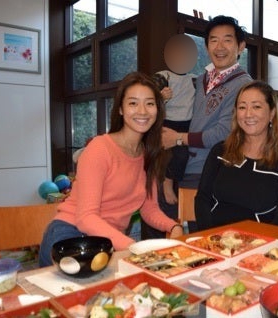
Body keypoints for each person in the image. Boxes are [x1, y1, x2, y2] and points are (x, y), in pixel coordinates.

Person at [38, 72, 183, 267]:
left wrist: (173, 225)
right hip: (70, 235)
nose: (142, 111)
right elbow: (86, 218)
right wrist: (132, 247)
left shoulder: (148, 154)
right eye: (133, 103)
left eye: (149, 103)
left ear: (157, 109)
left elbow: (148, 208)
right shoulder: (99, 148)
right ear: (121, 109)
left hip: (108, 242)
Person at [161, 15, 252, 189]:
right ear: (206, 46)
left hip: (213, 170)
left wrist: (177, 139)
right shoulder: (202, 78)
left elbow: (223, 134)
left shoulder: (243, 85)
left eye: (227, 40)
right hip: (183, 166)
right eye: (214, 40)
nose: (220, 47)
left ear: (240, 47)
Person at [195, 80, 278, 230]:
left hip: (259, 246)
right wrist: (209, 238)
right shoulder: (220, 151)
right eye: (242, 107)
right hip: (214, 240)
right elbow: (202, 198)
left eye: (256, 107)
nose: (248, 114)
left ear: (272, 113)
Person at [154, 34, 198, 205]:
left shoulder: (194, 78)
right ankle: (167, 184)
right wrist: (160, 96)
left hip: (187, 123)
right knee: (175, 155)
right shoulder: (163, 75)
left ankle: (175, 185)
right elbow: (149, 96)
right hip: (168, 121)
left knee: (185, 156)